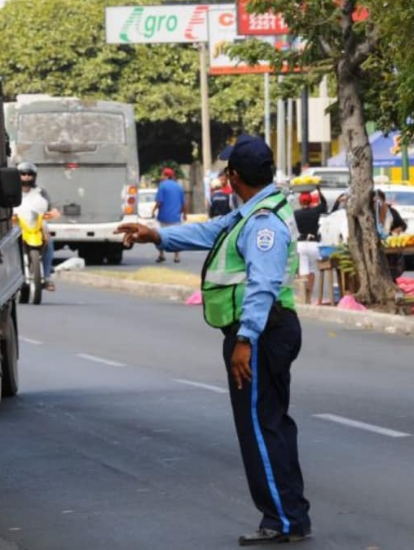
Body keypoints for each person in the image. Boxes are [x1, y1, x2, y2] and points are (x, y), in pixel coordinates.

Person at [116, 134, 311, 546]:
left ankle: (282, 520)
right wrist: (156, 235)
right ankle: (290, 515)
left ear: (234, 177)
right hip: (263, 332)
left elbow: (261, 285)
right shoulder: (252, 212)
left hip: (260, 333)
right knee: (271, 424)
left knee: (260, 429)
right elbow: (210, 233)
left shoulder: (263, 224)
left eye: (227, 170)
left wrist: (245, 338)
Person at [14, 162, 59, 291]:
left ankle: (47, 276)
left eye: (30, 174)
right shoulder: (13, 191)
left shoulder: (41, 192)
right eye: (23, 174)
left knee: (49, 242)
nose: (26, 177)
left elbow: (51, 208)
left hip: (36, 225)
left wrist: (52, 214)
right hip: (17, 225)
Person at [294, 187, 328, 300]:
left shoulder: (296, 214)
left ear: (300, 201)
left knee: (303, 269)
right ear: (310, 201)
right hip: (313, 244)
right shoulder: (315, 212)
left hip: (301, 244)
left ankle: (304, 295)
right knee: (312, 270)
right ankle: (310, 293)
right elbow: (324, 204)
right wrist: (318, 189)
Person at [151, 167, 186, 263]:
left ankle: (161, 255)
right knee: (177, 236)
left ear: (166, 176)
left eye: (162, 174)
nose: (161, 176)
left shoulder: (162, 186)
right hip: (175, 217)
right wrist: (184, 214)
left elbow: (159, 201)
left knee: (160, 236)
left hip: (164, 216)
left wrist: (153, 210)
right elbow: (183, 203)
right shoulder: (179, 187)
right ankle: (177, 256)